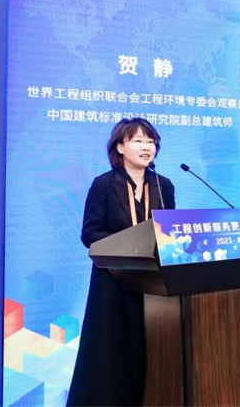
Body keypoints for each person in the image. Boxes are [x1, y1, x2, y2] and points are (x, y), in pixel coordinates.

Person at [67, 118, 175, 407]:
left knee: (149, 346)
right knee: (112, 350)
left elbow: (169, 231)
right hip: (112, 281)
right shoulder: (103, 184)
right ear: (119, 147)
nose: (147, 147)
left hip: (153, 282)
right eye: (138, 140)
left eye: (151, 141)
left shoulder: (163, 185)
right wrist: (128, 244)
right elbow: (90, 234)